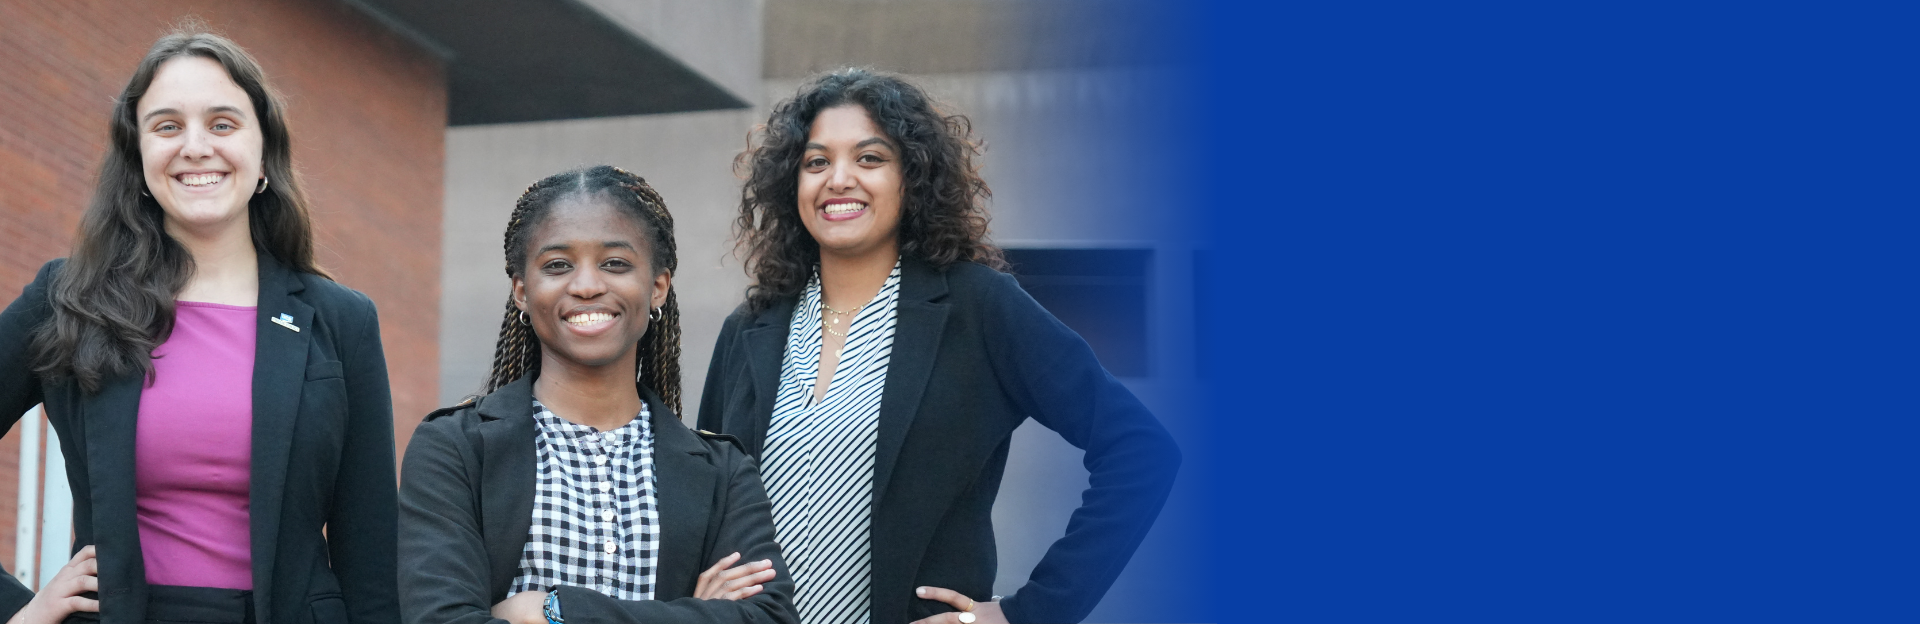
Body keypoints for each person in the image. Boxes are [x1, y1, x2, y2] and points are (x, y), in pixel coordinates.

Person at [701, 68, 1182, 624]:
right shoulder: (750, 328)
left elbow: (1140, 451)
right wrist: (700, 592)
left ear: (912, 177)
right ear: (793, 183)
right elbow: (710, 497)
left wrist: (1024, 614)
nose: (839, 179)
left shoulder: (977, 307)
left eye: (870, 158)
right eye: (816, 162)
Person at [0, 29, 397, 624]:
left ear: (264, 154)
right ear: (137, 159)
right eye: (166, 126)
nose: (195, 147)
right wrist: (20, 611)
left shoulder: (342, 320)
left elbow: (370, 551)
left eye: (222, 123)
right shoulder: (68, 299)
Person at [399, 166, 795, 624]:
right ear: (522, 292)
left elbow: (770, 618)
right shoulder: (455, 450)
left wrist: (555, 611)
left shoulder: (723, 471)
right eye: (557, 265)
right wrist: (695, 615)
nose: (587, 286)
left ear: (658, 287)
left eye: (615, 264)